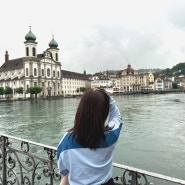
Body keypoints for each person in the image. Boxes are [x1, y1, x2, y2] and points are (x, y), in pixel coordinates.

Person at [57, 88, 123, 185]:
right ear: (104, 112)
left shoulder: (67, 140)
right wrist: (108, 97)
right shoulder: (110, 136)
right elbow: (117, 118)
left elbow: (63, 169)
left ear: (80, 110)